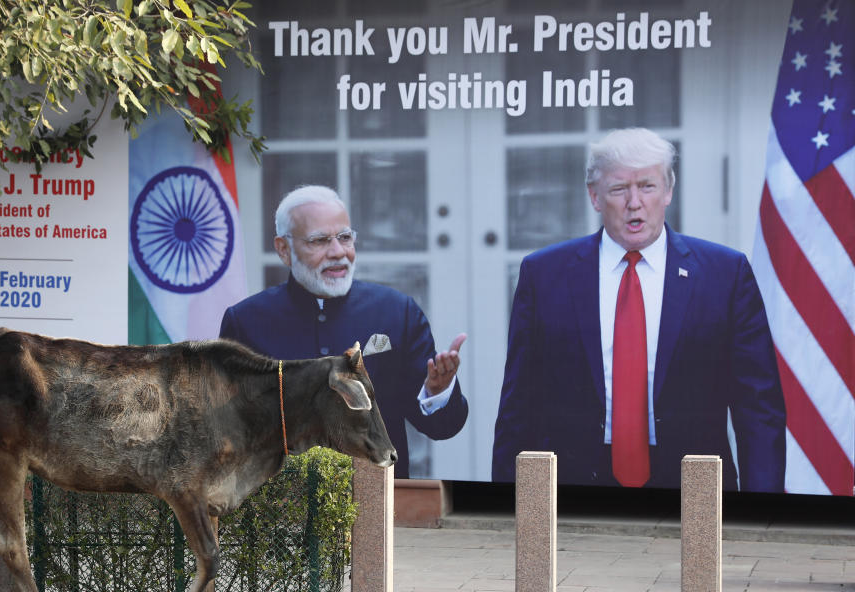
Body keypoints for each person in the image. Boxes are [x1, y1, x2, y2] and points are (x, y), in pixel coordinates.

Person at [492, 128, 786, 492]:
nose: (634, 202)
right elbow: (519, 405)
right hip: (575, 486)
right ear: (595, 196)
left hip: (695, 488)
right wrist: (504, 502)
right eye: (619, 189)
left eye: (647, 186)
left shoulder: (725, 274)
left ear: (668, 191)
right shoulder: (544, 275)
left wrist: (766, 507)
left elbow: (758, 407)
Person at [220, 185, 468, 478]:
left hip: (382, 502)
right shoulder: (246, 321)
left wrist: (436, 392)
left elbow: (443, 428)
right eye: (319, 240)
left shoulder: (397, 312)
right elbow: (229, 431)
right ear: (284, 249)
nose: (338, 252)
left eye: (345, 238)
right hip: (282, 505)